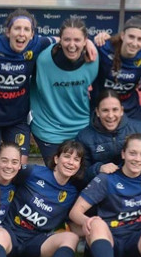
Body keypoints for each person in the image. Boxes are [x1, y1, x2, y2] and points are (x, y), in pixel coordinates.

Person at [0, 140, 87, 257]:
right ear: (56, 159)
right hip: (9, 233)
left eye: (76, 159)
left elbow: (71, 221)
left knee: (71, 238)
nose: (71, 162)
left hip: (35, 241)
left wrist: (92, 228)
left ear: (79, 165)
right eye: (66, 156)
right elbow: (5, 169)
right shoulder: (33, 172)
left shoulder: (72, 193)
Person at [0, 9, 54, 165]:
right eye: (17, 28)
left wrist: (88, 43)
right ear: (8, 32)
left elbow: (61, 39)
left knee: (17, 169)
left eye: (26, 29)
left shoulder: (38, 43)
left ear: (32, 34)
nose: (21, 33)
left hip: (18, 120)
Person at [29, 16, 100, 164]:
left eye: (77, 40)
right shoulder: (42, 59)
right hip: (49, 130)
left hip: (83, 129)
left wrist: (102, 37)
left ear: (85, 40)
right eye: (67, 39)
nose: (72, 45)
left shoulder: (94, 58)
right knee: (57, 174)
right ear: (60, 40)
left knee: (82, 174)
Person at [76, 90, 141, 185]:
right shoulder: (84, 136)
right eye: (105, 110)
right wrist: (98, 169)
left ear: (121, 110)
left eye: (115, 110)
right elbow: (79, 174)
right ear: (97, 112)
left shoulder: (140, 128)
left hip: (136, 184)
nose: (110, 115)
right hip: (103, 187)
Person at [91, 15, 141, 120]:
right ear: (123, 35)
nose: (134, 43)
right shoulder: (103, 47)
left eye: (140, 39)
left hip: (130, 108)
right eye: (131, 37)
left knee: (140, 131)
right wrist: (90, 41)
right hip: (102, 106)